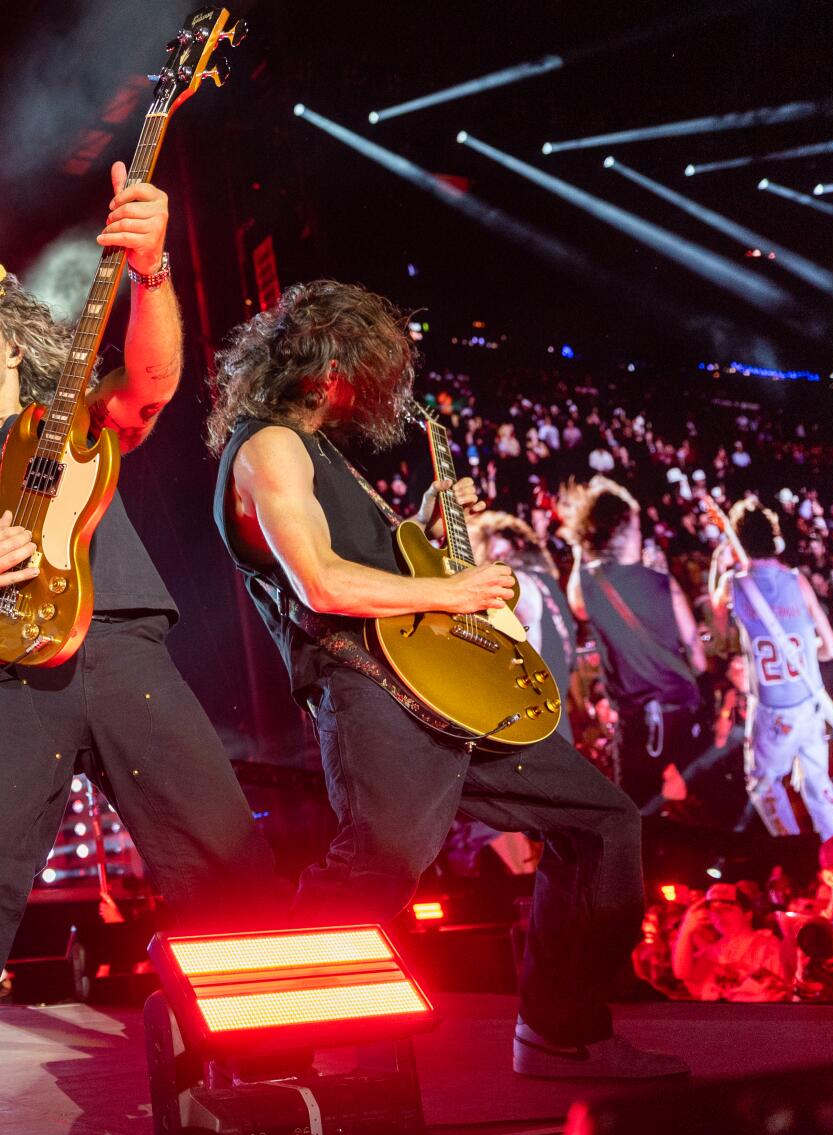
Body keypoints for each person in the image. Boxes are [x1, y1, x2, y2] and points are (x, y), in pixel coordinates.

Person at [0, 163, 277, 1135]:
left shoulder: (73, 419)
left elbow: (150, 385)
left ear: (12, 340)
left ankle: (268, 1073)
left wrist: (152, 271)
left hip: (119, 640)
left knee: (221, 850)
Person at [209, 278, 686, 1081]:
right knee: (379, 863)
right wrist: (457, 589)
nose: (382, 390)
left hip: (441, 686)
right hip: (369, 684)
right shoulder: (270, 447)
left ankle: (562, 1032)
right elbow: (321, 582)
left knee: (602, 823)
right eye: (374, 368)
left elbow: (373, 568)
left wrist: (424, 526)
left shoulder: (320, 452)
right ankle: (254, 1046)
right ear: (331, 368)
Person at [562, 477, 709, 808]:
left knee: (636, 809)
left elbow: (576, 604)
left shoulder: (589, 586)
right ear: (624, 529)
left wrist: (580, 550)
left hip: (636, 724)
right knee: (693, 805)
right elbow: (696, 654)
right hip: (680, 712)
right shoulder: (663, 583)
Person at [707, 497, 833, 839]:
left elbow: (718, 630)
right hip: (810, 703)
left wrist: (720, 560)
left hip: (774, 713)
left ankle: (792, 849)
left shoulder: (734, 585)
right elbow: (830, 649)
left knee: (763, 784)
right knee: (818, 782)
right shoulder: (797, 581)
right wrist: (801, 654)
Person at [475, 509, 577, 689]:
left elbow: (538, 636)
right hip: (553, 679)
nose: (499, 560)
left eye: (501, 555)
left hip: (540, 681)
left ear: (519, 544)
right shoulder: (544, 579)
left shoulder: (523, 581)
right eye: (495, 558)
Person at [672, 882, 792, 1002]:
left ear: (748, 914)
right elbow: (682, 973)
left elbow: (777, 993)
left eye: (726, 909)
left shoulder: (767, 946)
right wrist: (686, 930)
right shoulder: (713, 951)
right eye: (713, 910)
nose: (719, 915)